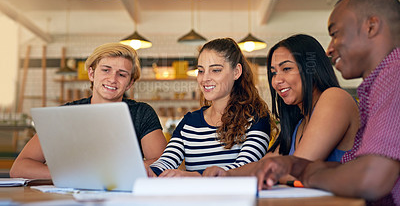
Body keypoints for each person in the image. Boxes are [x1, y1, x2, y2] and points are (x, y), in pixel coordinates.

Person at [252, 0, 400, 205]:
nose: (329, 49)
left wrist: (308, 174)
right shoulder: (378, 84)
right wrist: (299, 167)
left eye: (335, 34)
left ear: (371, 26)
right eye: (273, 73)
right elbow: (358, 166)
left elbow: (372, 178)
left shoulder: (394, 74)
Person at [203, 34, 359, 177]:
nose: (276, 81)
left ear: (311, 69)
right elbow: (266, 165)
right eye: (274, 72)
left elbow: (295, 168)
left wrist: (271, 175)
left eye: (286, 69)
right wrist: (225, 175)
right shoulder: (299, 124)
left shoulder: (335, 98)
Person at [10, 43, 167, 179]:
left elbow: (163, 162)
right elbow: (19, 168)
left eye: (122, 74)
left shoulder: (141, 113)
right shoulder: (65, 114)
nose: (112, 79)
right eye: (106, 70)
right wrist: (74, 174)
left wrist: (109, 171)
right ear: (92, 74)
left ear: (129, 83)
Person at [148, 38, 275, 177]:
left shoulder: (256, 119)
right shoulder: (189, 123)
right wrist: (149, 171)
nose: (205, 78)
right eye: (201, 71)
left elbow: (246, 167)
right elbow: (165, 161)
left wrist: (194, 176)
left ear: (236, 72)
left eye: (215, 70)